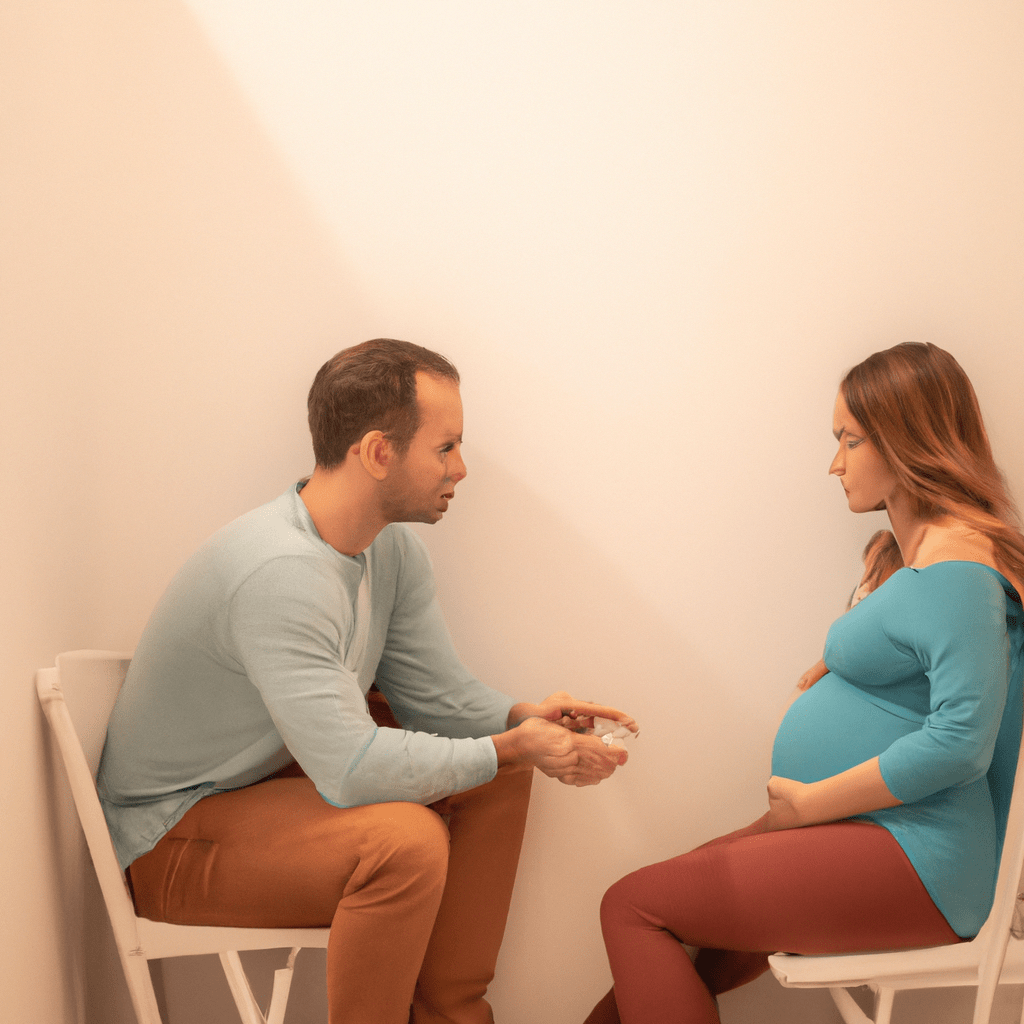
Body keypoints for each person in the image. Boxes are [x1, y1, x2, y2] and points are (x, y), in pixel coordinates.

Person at [96, 338, 637, 1024]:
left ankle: (451, 1015)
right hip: (171, 841)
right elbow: (349, 770)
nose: (462, 468)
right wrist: (513, 744)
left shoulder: (390, 551)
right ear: (379, 452)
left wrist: (525, 719)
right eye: (447, 447)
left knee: (498, 775)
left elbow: (438, 700)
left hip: (255, 797)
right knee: (403, 843)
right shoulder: (279, 573)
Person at [583, 342, 1024, 1024]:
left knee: (634, 907)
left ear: (908, 442)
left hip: (918, 855)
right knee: (665, 933)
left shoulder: (961, 562)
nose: (834, 462)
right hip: (874, 833)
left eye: (850, 440)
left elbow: (963, 743)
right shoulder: (920, 563)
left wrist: (809, 805)